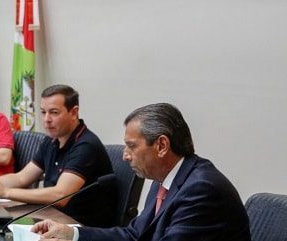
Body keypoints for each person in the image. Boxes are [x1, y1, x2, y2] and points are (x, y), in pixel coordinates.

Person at [31, 103, 251, 241]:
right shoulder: (164, 180)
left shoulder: (202, 190)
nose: (125, 155)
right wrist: (72, 234)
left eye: (132, 146)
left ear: (162, 146)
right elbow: (134, 234)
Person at [0, 84, 115, 226]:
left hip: (81, 226)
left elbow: (60, 196)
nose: (46, 119)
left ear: (74, 112)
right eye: (43, 112)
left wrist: (6, 192)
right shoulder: (50, 141)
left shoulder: (85, 146)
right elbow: (22, 177)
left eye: (54, 112)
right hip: (52, 215)